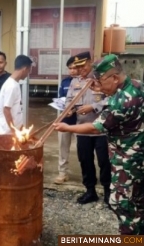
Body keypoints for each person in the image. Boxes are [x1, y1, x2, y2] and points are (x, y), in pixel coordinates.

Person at [53, 54, 144, 235]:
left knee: (122, 204)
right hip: (137, 154)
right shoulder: (135, 85)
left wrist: (67, 128)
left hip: (127, 159)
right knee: (139, 200)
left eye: (102, 82)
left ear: (115, 78)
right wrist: (102, 89)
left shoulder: (122, 102)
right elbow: (113, 95)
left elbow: (97, 127)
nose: (99, 87)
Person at [65, 51, 111, 205]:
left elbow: (110, 99)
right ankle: (90, 191)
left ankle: (107, 192)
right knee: (85, 160)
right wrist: (69, 109)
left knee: (104, 161)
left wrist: (93, 106)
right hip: (83, 128)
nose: (80, 69)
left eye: (83, 65)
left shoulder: (101, 79)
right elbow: (69, 100)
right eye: (77, 66)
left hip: (100, 129)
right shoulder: (75, 81)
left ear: (90, 62)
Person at [54, 56, 79, 184]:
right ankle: (62, 173)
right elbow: (61, 98)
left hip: (81, 120)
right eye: (70, 68)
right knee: (63, 147)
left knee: (83, 149)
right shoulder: (64, 82)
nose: (73, 71)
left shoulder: (86, 82)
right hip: (65, 120)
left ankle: (87, 174)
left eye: (75, 68)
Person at [0, 54, 33, 134]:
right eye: (28, 71)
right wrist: (14, 132)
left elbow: (16, 109)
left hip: (11, 131)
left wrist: (20, 127)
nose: (28, 74)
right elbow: (6, 110)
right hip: (7, 133)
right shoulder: (11, 86)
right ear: (25, 69)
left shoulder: (14, 83)